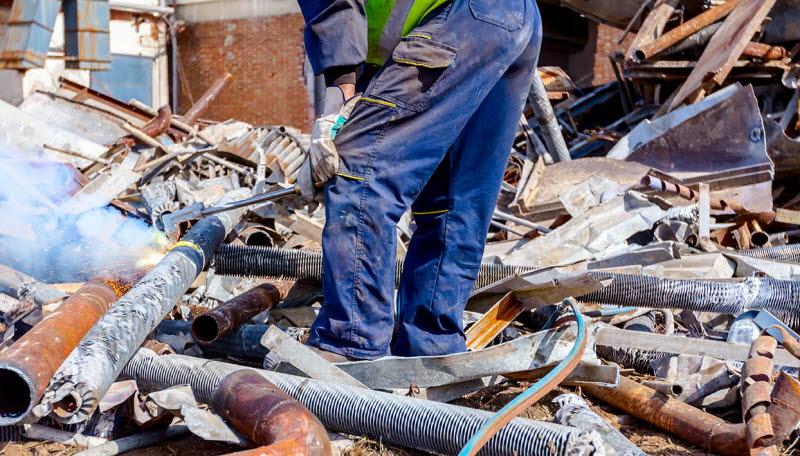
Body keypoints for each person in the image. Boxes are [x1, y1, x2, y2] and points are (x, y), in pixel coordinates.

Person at [295, 0, 542, 361]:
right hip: (513, 18)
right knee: (454, 200)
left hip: (456, 17)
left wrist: (343, 92)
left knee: (359, 170)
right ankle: (430, 353)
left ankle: (350, 344)